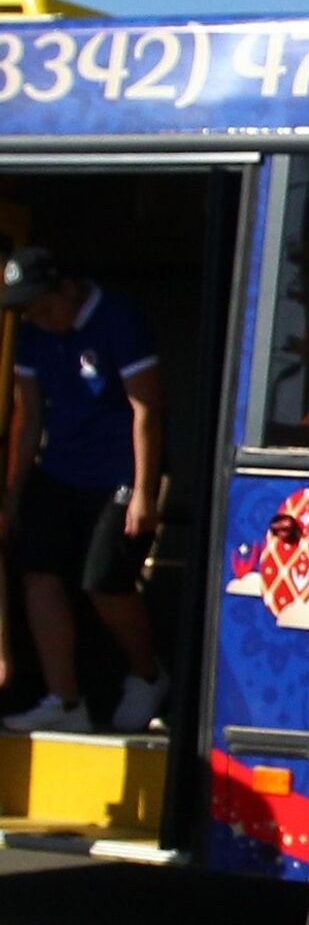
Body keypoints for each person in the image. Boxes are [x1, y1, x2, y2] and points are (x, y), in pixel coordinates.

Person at [0, 247, 167, 734]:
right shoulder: (32, 334)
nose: (38, 319)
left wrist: (144, 492)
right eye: (29, 312)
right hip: (59, 469)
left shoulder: (118, 320)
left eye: (44, 308)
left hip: (117, 472)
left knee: (104, 579)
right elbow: (29, 416)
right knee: (38, 573)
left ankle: (147, 674)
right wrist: (13, 494)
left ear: (69, 288)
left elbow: (146, 411)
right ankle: (65, 700)